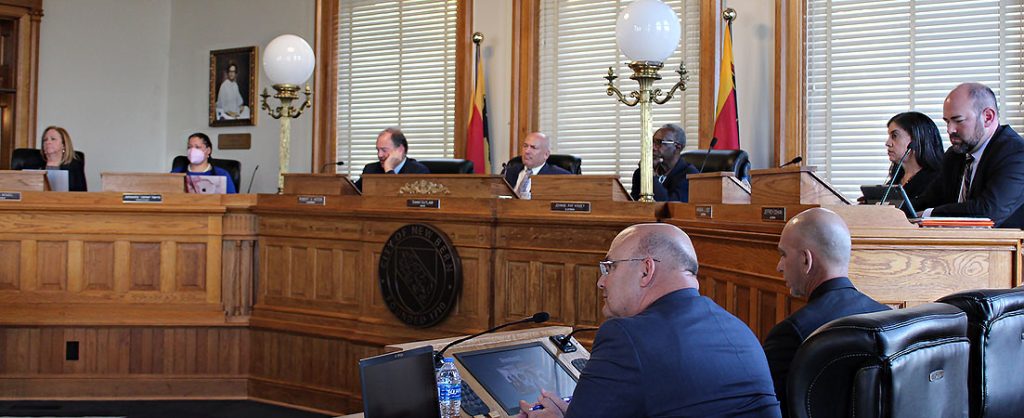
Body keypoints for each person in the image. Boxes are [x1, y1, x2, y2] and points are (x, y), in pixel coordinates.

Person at [517, 223, 781, 418]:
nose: (601, 281)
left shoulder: (626, 336)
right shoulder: (739, 330)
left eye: (610, 267)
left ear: (646, 269)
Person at [762, 208, 889, 416]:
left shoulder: (792, 334)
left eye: (783, 255)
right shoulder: (885, 316)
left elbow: (767, 410)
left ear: (806, 260)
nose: (779, 266)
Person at [916, 82, 1024, 227]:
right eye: (947, 121)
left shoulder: (1016, 153)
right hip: (957, 246)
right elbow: (928, 199)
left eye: (958, 120)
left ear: (987, 117)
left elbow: (988, 212)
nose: (950, 130)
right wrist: (890, 210)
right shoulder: (955, 155)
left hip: (1001, 247)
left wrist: (928, 214)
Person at [879, 111, 944, 206]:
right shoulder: (896, 179)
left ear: (916, 140)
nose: (888, 143)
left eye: (894, 136)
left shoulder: (937, 179)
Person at [629, 124, 699, 202]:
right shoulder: (641, 173)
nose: (653, 147)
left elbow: (669, 206)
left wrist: (650, 175)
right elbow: (633, 204)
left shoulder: (690, 175)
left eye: (659, 142)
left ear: (677, 147)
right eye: (652, 142)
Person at [354, 127, 430, 190]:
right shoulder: (370, 170)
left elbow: (397, 197)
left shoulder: (418, 172)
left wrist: (389, 170)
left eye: (384, 150)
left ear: (400, 150)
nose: (379, 155)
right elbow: (352, 194)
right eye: (378, 150)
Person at [502, 132, 571, 199]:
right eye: (525, 146)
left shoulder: (560, 177)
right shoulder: (509, 171)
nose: (527, 151)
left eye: (533, 147)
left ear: (546, 154)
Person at [19, 126, 87, 191]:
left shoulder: (75, 167)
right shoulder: (31, 165)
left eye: (53, 139)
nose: (48, 142)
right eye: (45, 140)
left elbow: (81, 195)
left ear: (63, 145)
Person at [170, 132, 237, 194]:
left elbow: (232, 200)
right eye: (189, 147)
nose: (192, 150)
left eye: (197, 147)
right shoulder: (176, 173)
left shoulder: (221, 174)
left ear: (208, 150)